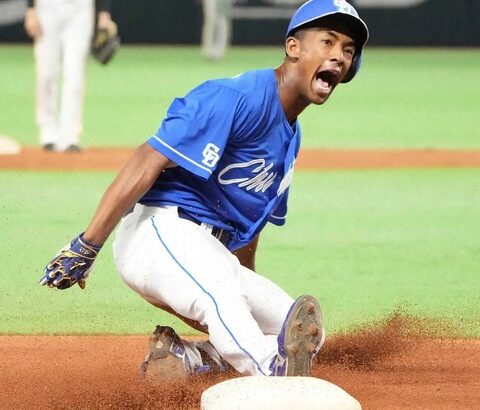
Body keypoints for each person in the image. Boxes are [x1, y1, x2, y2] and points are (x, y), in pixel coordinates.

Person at [39, 0, 369, 379]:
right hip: (158, 234)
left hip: (209, 253)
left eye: (347, 50)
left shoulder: (290, 140)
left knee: (301, 331)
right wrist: (87, 244)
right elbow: (147, 159)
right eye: (327, 42)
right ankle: (271, 372)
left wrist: (243, 298)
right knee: (225, 297)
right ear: (293, 47)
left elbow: (249, 227)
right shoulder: (234, 98)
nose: (339, 56)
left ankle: (188, 361)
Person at [24, 0, 116, 152]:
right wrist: (31, 9)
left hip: (80, 9)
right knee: (46, 74)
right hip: (47, 7)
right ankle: (48, 132)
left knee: (75, 75)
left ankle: (70, 136)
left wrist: (104, 12)